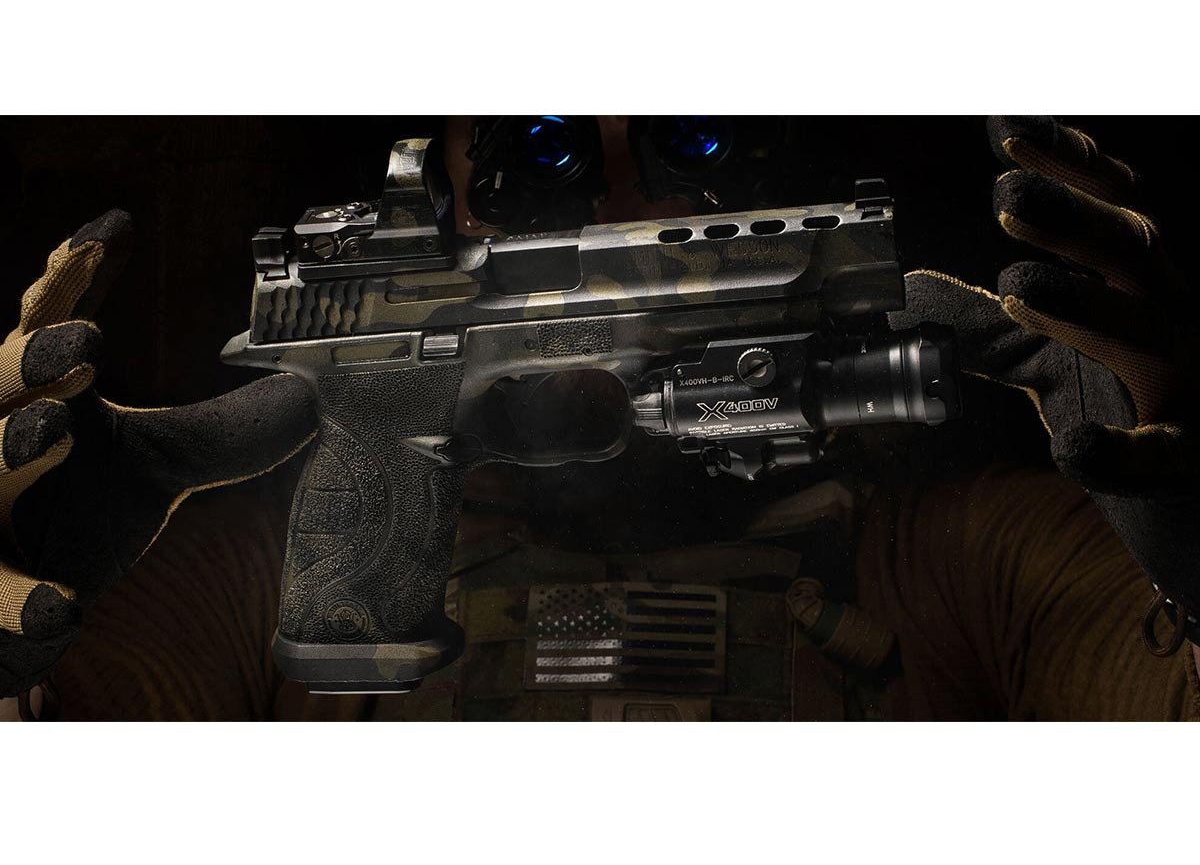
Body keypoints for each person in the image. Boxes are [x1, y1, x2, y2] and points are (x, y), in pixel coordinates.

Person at [1, 117, 1196, 720]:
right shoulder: (231, 575)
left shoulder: (968, 557)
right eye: (539, 159)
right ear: (446, 206)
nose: (628, 214)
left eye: (693, 150)